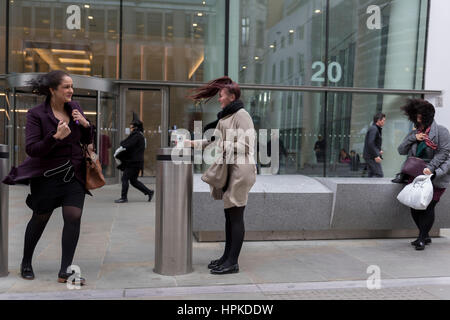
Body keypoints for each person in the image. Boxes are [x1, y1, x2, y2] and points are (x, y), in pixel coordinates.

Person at [2, 70, 93, 284]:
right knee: (40, 218)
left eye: (72, 86)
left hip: (74, 174)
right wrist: (55, 137)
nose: (71, 91)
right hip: (47, 177)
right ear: (52, 90)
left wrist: (87, 126)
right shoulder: (36, 114)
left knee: (73, 216)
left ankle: (65, 270)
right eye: (66, 87)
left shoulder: (75, 108)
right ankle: (26, 262)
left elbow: (85, 139)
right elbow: (32, 149)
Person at [186, 76, 256, 275]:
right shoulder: (225, 117)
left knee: (235, 216)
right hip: (230, 170)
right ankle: (226, 257)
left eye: (221, 95)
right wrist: (191, 144)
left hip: (241, 170)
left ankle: (232, 262)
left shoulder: (241, 115)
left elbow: (247, 145)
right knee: (229, 216)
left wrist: (222, 145)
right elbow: (212, 140)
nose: (219, 99)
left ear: (232, 97)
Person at [398, 99, 450, 250]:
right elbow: (401, 150)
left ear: (427, 115)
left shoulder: (441, 131)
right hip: (416, 176)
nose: (418, 117)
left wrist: (431, 169)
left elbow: (444, 153)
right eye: (416, 115)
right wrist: (414, 138)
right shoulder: (415, 132)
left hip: (436, 175)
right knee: (414, 206)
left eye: (420, 115)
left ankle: (421, 238)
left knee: (428, 206)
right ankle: (424, 234)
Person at [114, 115, 154, 203]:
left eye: (131, 125)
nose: (130, 127)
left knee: (124, 178)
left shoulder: (136, 135)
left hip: (133, 162)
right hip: (136, 162)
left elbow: (126, 144)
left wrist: (122, 143)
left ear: (135, 127)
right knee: (133, 181)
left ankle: (124, 197)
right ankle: (149, 192)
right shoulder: (139, 135)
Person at [363, 113, 386, 177]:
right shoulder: (374, 129)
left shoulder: (375, 128)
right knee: (379, 174)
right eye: (383, 120)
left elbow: (373, 143)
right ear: (378, 120)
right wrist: (376, 155)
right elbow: (370, 143)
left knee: (372, 174)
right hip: (371, 157)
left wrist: (379, 150)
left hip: (371, 156)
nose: (384, 122)